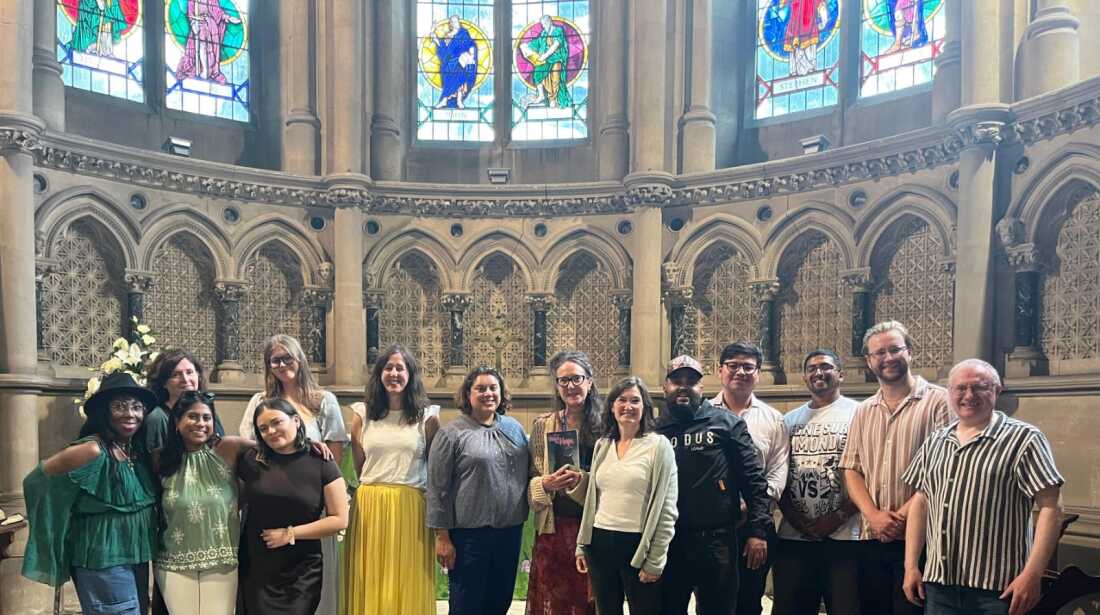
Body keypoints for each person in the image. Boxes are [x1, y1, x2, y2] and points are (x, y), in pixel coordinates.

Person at [902, 359, 1065, 615]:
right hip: (939, 586)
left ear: (997, 391)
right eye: (960, 388)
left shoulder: (1024, 439)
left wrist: (1033, 575)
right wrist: (911, 565)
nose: (969, 395)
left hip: (1000, 589)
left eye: (979, 387)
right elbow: (921, 503)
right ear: (949, 393)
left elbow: (1051, 507)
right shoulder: (935, 441)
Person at [840, 320, 954, 614]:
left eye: (895, 349)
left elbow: (944, 471)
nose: (887, 357)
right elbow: (851, 469)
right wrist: (874, 516)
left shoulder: (940, 402)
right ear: (868, 361)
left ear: (910, 352)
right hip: (872, 536)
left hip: (923, 540)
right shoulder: (863, 410)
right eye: (879, 353)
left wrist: (899, 518)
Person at [22, 372, 159, 615]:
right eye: (119, 406)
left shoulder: (135, 452)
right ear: (104, 412)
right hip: (102, 559)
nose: (130, 414)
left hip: (135, 558)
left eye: (137, 407)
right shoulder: (92, 450)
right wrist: (57, 527)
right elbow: (36, 481)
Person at [238, 334, 349, 615]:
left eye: (287, 357)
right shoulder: (259, 401)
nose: (282, 364)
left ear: (299, 359)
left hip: (307, 511)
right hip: (266, 507)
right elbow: (249, 450)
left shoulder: (322, 401)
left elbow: (332, 457)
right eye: (275, 359)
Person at [655, 355, 772, 615]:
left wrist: (758, 531)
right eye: (676, 381)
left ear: (701, 387)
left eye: (691, 381)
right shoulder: (654, 430)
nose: (683, 386)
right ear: (665, 387)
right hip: (669, 542)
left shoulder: (727, 424)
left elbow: (754, 481)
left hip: (717, 541)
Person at [343, 345, 441, 615]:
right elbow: (361, 466)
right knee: (371, 580)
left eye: (400, 368)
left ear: (411, 374)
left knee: (407, 580)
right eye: (388, 367)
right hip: (370, 506)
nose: (394, 373)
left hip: (410, 506)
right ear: (379, 373)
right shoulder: (362, 414)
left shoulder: (427, 417)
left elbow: (435, 471)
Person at [427, 366, 530, 615]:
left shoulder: (514, 428)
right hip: (469, 536)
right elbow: (438, 488)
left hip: (509, 532)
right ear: (468, 395)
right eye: (480, 388)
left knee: (499, 601)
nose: (488, 393)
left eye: (493, 388)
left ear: (502, 393)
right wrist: (442, 537)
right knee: (467, 604)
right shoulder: (451, 434)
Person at [575, 376, 678, 615]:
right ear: (611, 406)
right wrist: (582, 545)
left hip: (637, 545)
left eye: (635, 401)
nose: (628, 406)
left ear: (645, 407)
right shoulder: (603, 445)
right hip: (599, 541)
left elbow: (667, 510)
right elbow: (593, 500)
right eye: (621, 400)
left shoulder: (658, 446)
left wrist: (655, 560)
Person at [773, 349, 861, 615]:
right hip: (794, 536)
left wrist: (837, 516)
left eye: (826, 366)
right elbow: (778, 472)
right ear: (805, 377)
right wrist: (796, 518)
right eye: (811, 368)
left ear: (841, 374)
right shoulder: (789, 421)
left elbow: (868, 473)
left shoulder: (859, 414)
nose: (818, 372)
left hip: (845, 537)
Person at [153, 391, 253, 615]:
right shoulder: (161, 459)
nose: (200, 423)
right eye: (193, 416)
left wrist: (311, 446)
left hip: (222, 560)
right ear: (177, 422)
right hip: (173, 562)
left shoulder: (228, 448)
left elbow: (274, 447)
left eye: (206, 417)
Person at [707, 341, 789, 615]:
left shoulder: (773, 418)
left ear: (757, 373)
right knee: (712, 599)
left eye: (748, 367)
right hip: (712, 525)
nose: (740, 372)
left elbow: (778, 470)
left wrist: (753, 507)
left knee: (750, 600)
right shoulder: (703, 415)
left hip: (755, 523)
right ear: (720, 371)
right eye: (733, 366)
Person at [526, 350, 601, 615]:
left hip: (594, 530)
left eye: (577, 378)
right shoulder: (543, 425)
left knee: (590, 602)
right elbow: (531, 483)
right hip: (554, 529)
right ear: (557, 387)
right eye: (563, 381)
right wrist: (545, 484)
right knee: (554, 603)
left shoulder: (607, 426)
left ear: (590, 382)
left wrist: (582, 482)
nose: (571, 386)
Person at [144, 349, 225, 454]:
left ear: (198, 376)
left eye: (189, 372)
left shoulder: (207, 412)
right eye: (176, 375)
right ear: (163, 382)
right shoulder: (157, 418)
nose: (185, 380)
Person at [520, 15, 573, 108]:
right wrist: (526, 46)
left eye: (544, 24)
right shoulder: (544, 33)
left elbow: (555, 45)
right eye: (542, 24)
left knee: (555, 78)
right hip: (545, 60)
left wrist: (544, 56)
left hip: (557, 58)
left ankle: (554, 99)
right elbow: (538, 43)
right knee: (537, 73)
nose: (543, 26)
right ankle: (541, 95)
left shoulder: (558, 30)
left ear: (549, 22)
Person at [433, 14, 478, 109]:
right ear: (450, 24)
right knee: (449, 71)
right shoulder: (448, 35)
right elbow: (444, 50)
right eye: (452, 22)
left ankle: (457, 100)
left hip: (461, 60)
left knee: (460, 72)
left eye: (456, 21)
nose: (454, 23)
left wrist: (471, 50)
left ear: (458, 22)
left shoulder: (463, 33)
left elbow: (470, 44)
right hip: (449, 62)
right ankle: (446, 100)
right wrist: (437, 41)